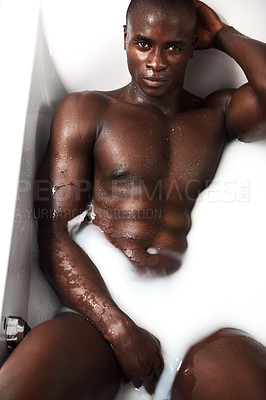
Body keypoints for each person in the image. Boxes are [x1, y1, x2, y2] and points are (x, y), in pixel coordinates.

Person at [1, 0, 266, 399]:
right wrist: (119, 329)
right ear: (124, 39)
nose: (156, 62)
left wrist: (224, 34)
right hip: (96, 313)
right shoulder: (88, 110)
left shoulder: (216, 114)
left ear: (193, 46)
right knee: (19, 388)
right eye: (143, 43)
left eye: (173, 47)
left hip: (193, 316)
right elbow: (54, 233)